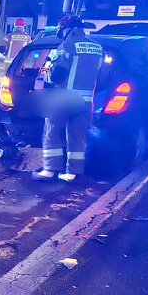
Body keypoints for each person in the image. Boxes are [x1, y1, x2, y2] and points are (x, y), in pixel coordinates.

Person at [32, 15, 104, 182]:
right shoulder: (98, 48)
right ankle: (72, 173)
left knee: (52, 132)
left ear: (67, 30)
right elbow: (103, 78)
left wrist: (46, 77)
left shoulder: (67, 46)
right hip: (86, 101)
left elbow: (57, 74)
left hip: (64, 98)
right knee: (77, 136)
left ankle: (50, 170)